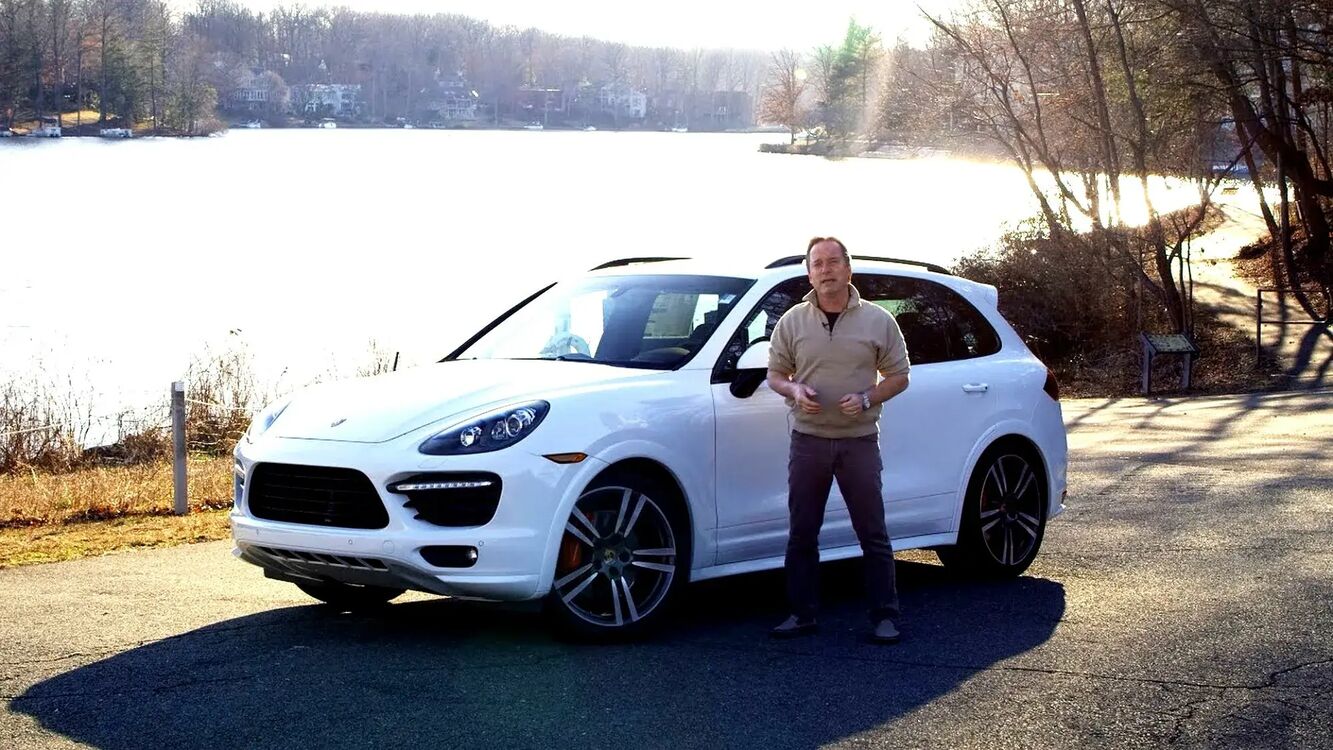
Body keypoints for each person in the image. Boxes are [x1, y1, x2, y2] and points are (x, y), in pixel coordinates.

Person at [765, 236, 911, 644]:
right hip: (808, 441)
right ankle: (801, 614)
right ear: (809, 274)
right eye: (818, 264)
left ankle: (885, 616)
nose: (825, 270)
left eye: (833, 262)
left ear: (848, 268)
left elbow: (900, 376)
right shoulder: (792, 321)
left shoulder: (878, 320)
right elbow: (775, 375)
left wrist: (867, 397)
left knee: (873, 532)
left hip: (858, 441)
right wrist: (794, 390)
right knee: (802, 533)